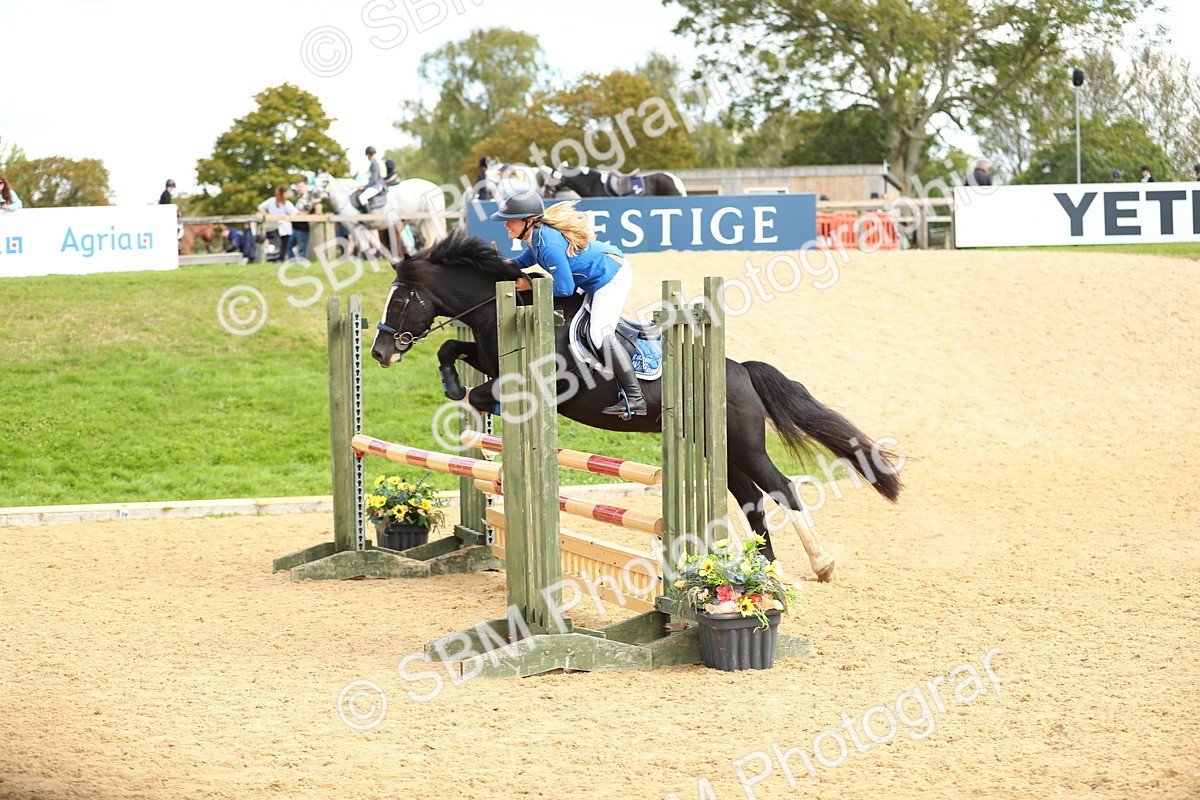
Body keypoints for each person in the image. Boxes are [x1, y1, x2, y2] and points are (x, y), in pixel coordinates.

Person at [492, 189, 644, 417]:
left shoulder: (548, 244)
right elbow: (525, 260)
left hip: (610, 277)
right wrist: (497, 265)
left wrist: (530, 285)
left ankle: (635, 398)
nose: (506, 225)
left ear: (529, 221)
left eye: (510, 220)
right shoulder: (535, 238)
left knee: (599, 334)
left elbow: (565, 289)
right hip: (592, 276)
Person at [257, 184, 298, 262]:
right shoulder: (272, 201)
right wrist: (267, 215)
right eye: (287, 192)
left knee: (284, 245)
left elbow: (295, 213)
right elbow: (260, 207)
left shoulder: (287, 203)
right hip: (274, 227)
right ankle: (274, 258)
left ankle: (281, 259)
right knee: (276, 245)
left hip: (285, 228)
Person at [289, 177, 312, 260]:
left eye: (300, 186)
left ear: (305, 186)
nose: (298, 189)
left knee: (302, 249)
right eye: (297, 187)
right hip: (295, 227)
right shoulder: (300, 198)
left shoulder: (309, 198)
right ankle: (292, 262)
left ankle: (303, 263)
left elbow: (306, 211)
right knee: (289, 246)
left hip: (303, 227)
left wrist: (300, 213)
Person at [358, 146, 386, 211]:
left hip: (376, 186)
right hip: (378, 184)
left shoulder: (374, 163)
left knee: (362, 197)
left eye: (367, 155)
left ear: (369, 154)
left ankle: (369, 215)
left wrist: (365, 187)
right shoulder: (377, 161)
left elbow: (374, 179)